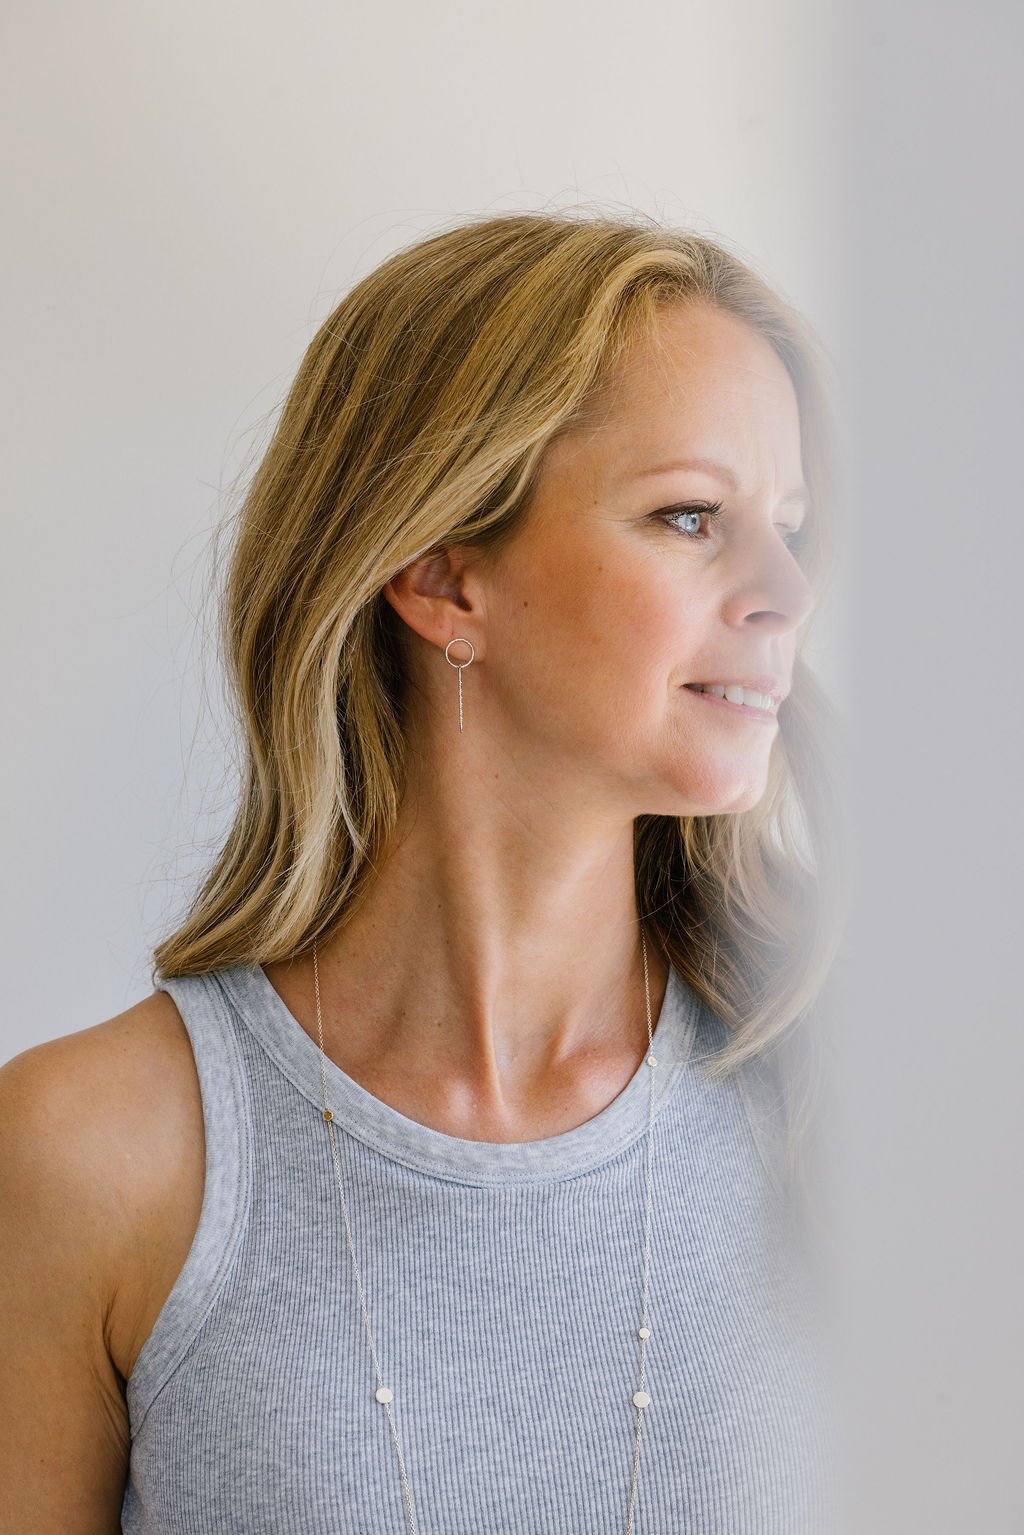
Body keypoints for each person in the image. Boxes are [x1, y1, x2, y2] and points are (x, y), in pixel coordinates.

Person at [0, 210, 849, 1533]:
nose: (786, 593)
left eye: (788, 528)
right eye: (692, 517)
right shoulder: (94, 1156)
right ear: (442, 576)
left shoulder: (847, 1106)